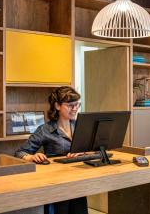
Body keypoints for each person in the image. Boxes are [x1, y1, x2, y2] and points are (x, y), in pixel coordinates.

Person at [15, 86, 88, 214]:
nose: (75, 108)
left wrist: (84, 152)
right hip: (57, 184)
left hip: (79, 181)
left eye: (77, 104)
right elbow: (19, 153)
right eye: (70, 105)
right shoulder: (44, 130)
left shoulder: (81, 125)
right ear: (58, 106)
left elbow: (92, 148)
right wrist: (31, 157)